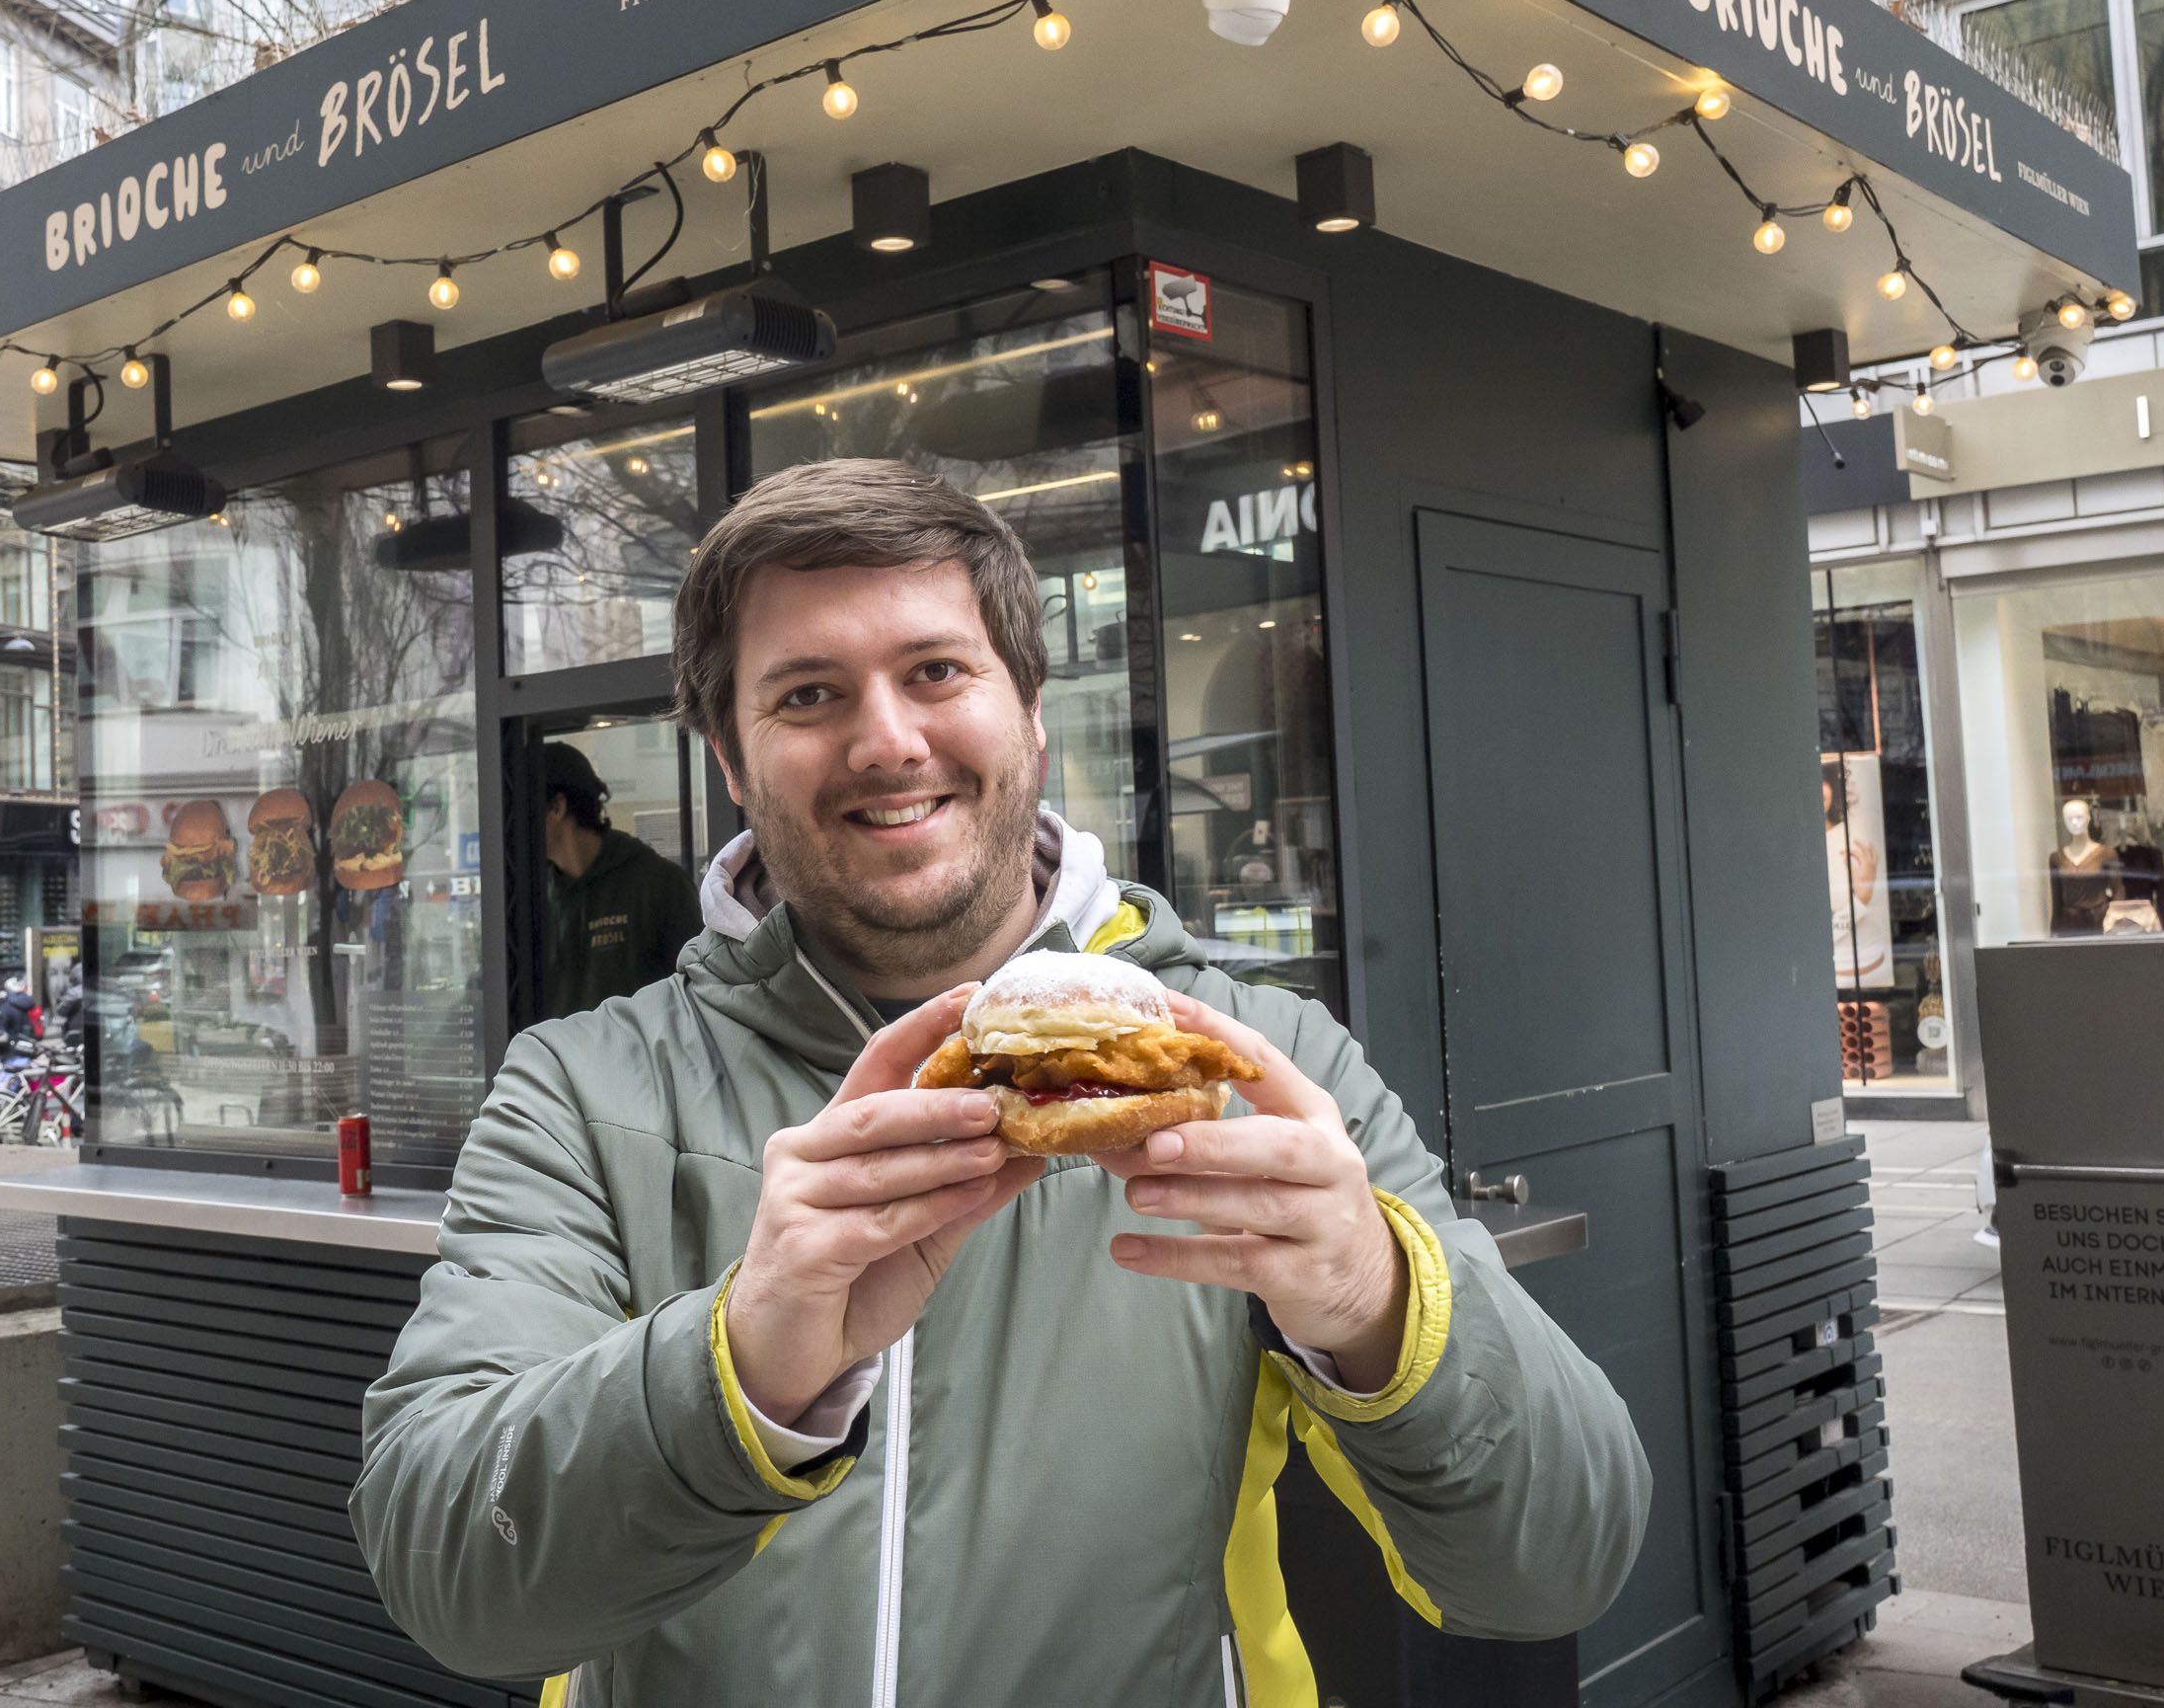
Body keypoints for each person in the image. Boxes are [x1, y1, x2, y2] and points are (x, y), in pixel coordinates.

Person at [352, 462, 1650, 1702]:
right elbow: (452, 1581)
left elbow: (1560, 1566)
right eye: (807, 696)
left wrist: (1378, 1305)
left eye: (936, 672)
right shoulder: (583, 1088)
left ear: (1030, 708)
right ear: (734, 764)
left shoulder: (1259, 1063)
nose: (886, 739)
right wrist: (743, 1366)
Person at [537, 740, 703, 1021]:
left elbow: (698, 996)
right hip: (558, 1064)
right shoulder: (531, 899)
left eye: (518, 810)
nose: (509, 828)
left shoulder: (658, 884)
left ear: (557, 807)